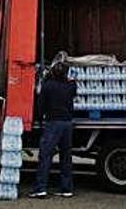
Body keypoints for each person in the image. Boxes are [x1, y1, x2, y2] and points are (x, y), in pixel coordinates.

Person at [28, 61, 77, 199]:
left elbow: (41, 105)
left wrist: (38, 119)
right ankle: (66, 189)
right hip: (67, 123)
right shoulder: (71, 86)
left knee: (45, 155)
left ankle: (41, 188)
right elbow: (74, 86)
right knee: (66, 156)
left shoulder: (48, 86)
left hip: (53, 123)